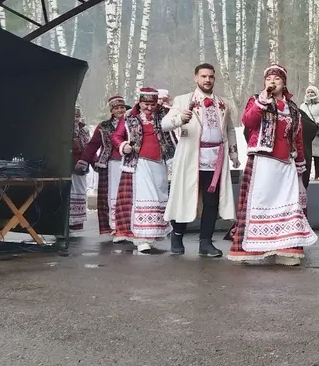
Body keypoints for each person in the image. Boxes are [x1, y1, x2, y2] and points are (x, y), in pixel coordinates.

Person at [229, 64, 317, 265]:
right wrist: (261, 102)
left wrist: (300, 164)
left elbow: (298, 137)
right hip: (263, 161)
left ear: (284, 83)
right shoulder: (256, 100)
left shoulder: (292, 108)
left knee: (286, 206)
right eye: (268, 79)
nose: (272, 82)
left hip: (286, 164)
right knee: (262, 203)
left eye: (276, 79)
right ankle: (254, 249)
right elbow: (248, 122)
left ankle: (286, 250)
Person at [162, 64, 239, 258]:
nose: (207, 80)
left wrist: (234, 154)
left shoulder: (223, 103)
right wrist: (179, 119)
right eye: (203, 76)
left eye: (211, 77)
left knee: (211, 202)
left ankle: (205, 242)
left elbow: (229, 130)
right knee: (186, 197)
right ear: (196, 78)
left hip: (215, 160)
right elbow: (164, 125)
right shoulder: (182, 100)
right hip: (190, 158)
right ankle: (177, 236)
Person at [111, 87, 175, 254]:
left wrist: (172, 103)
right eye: (146, 104)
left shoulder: (164, 114)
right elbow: (116, 136)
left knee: (159, 196)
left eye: (152, 104)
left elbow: (178, 117)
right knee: (145, 198)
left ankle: (153, 234)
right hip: (139, 163)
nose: (149, 108)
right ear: (139, 102)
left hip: (160, 162)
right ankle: (141, 239)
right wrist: (123, 145)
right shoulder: (129, 117)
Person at [81, 95, 128, 241]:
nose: (120, 110)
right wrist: (84, 160)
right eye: (116, 108)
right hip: (109, 164)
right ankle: (114, 227)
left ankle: (127, 227)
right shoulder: (104, 126)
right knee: (110, 196)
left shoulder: (131, 123)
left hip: (129, 163)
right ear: (111, 110)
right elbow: (93, 144)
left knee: (127, 196)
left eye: (122, 107)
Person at [299, 86, 319, 185]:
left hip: (316, 133)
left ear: (316, 93)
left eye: (312, 92)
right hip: (305, 133)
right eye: (308, 92)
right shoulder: (302, 106)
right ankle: (305, 175)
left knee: (316, 155)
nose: (310, 94)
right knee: (305, 154)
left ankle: (317, 175)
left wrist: (317, 122)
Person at [70, 107, 91, 231]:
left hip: (81, 164)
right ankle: (68, 220)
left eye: (77, 116)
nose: (75, 119)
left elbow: (87, 146)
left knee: (79, 191)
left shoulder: (84, 130)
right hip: (69, 164)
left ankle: (77, 223)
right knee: (70, 193)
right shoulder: (64, 129)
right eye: (73, 116)